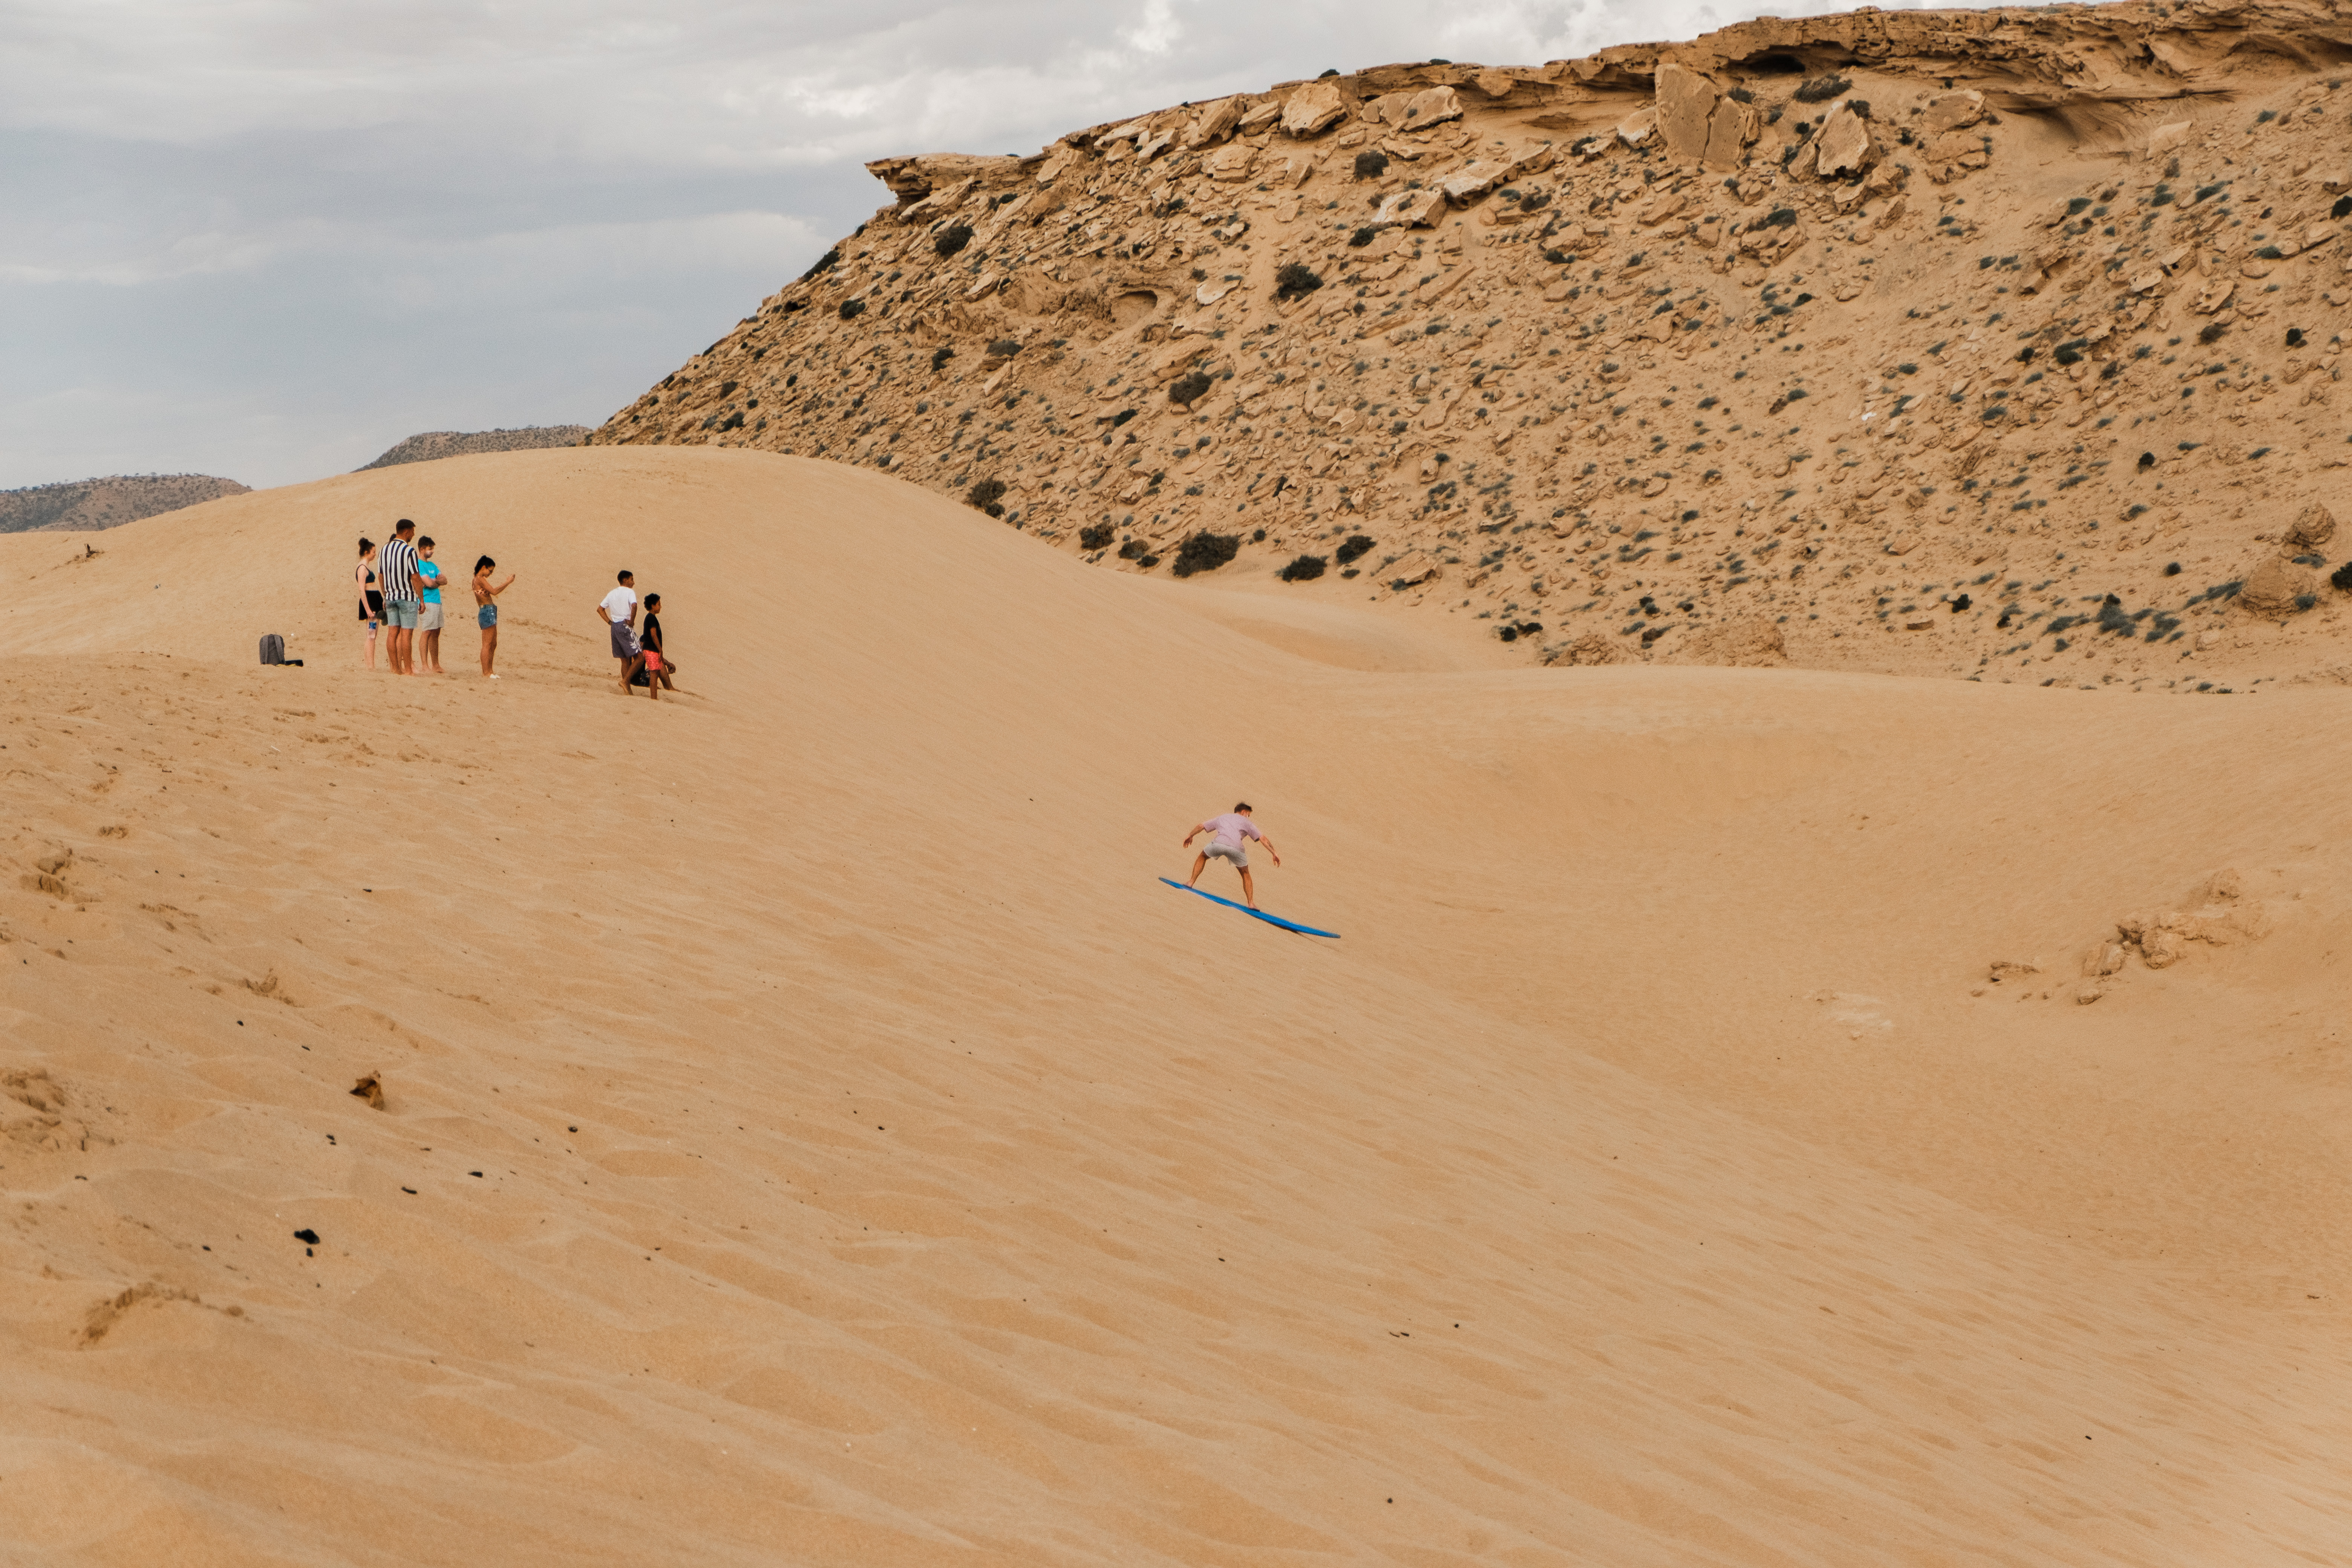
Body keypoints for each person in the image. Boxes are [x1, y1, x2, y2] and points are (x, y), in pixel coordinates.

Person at [1183, 802, 1281, 909]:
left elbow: (1201, 826)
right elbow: (1263, 839)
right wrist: (1274, 853)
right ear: (1244, 812)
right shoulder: (1247, 822)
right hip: (1236, 849)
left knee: (1203, 856)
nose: (1248, 817)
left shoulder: (1223, 817)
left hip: (1219, 844)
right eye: (1248, 815)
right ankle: (1251, 903)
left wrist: (1190, 836)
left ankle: (1191, 882)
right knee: (1245, 873)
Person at [377, 519, 423, 676]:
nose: (413, 535)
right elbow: (415, 577)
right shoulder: (409, 551)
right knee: (406, 635)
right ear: (407, 531)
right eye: (413, 532)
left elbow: (381, 576)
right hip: (407, 597)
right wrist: (421, 599)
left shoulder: (384, 550)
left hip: (390, 597)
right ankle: (409, 670)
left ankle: (396, 669)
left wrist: (385, 595)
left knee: (392, 634)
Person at [596, 570, 643, 695]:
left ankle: (627, 690)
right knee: (640, 657)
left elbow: (600, 609)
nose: (633, 583)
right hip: (625, 626)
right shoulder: (630, 592)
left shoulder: (612, 593)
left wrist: (610, 622)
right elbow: (634, 606)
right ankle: (626, 681)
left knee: (625, 660)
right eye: (632, 579)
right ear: (625, 580)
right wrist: (632, 621)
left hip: (615, 628)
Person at [473, 556, 514, 678]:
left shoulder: (478, 579)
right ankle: (486, 673)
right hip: (487, 611)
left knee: (493, 643)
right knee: (487, 643)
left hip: (489, 611)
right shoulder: (479, 579)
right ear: (484, 567)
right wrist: (508, 582)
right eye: (490, 571)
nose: (490, 574)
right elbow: (494, 591)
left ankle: (490, 671)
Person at [415, 536, 446, 674]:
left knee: (436, 632)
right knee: (427, 632)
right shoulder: (419, 564)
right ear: (422, 549)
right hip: (427, 601)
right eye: (430, 549)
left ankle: (436, 665)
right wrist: (436, 582)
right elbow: (429, 583)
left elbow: (444, 580)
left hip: (437, 601)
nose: (432, 551)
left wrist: (436, 582)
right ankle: (424, 665)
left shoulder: (432, 565)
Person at [639, 592, 677, 698]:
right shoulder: (651, 618)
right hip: (651, 649)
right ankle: (654, 697)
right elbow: (654, 635)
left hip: (653, 650)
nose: (660, 607)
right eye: (659, 604)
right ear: (653, 606)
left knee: (655, 672)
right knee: (654, 674)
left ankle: (655, 696)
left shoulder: (652, 618)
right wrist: (660, 650)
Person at [354, 537, 382, 670]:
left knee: (372, 635)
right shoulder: (362, 568)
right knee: (371, 635)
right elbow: (361, 589)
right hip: (370, 602)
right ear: (367, 552)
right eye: (373, 552)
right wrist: (369, 610)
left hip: (374, 601)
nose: (375, 554)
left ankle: (370, 664)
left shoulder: (366, 567)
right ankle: (370, 665)